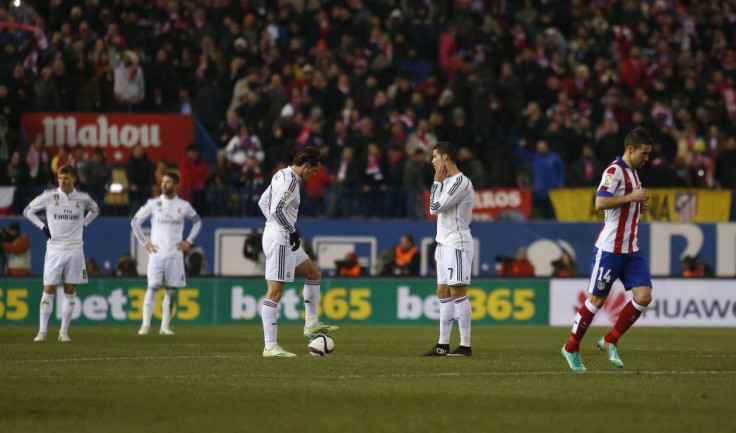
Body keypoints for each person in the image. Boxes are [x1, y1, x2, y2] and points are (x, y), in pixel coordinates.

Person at [561, 127, 654, 371]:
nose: (647, 158)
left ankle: (610, 339)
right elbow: (600, 201)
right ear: (630, 148)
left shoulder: (633, 173)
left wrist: (637, 206)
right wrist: (631, 198)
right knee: (596, 300)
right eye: (644, 153)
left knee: (644, 297)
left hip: (632, 248)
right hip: (610, 248)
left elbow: (624, 204)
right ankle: (571, 346)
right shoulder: (614, 171)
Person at [257, 147, 338, 357]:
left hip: (280, 235)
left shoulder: (281, 174)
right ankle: (270, 346)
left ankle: (311, 323)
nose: (314, 175)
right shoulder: (291, 181)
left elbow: (263, 202)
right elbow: (276, 210)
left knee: (314, 272)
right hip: (281, 239)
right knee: (274, 292)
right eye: (314, 171)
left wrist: (274, 225)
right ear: (307, 165)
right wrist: (287, 229)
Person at [23, 165, 100, 342]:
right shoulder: (49, 196)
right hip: (55, 249)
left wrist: (84, 224)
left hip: (75, 249)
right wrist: (43, 227)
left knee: (70, 289)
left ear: (74, 179)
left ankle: (63, 332)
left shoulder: (83, 198)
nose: (63, 181)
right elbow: (28, 211)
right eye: (60, 178)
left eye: (66, 178)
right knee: (49, 288)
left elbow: (96, 210)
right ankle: (42, 332)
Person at [131, 171, 202, 336]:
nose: (164, 185)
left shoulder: (183, 206)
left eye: (168, 182)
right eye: (163, 182)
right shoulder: (153, 203)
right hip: (156, 255)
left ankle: (165, 326)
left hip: (175, 255)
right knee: (152, 288)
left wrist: (189, 241)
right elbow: (135, 222)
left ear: (176, 185)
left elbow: (197, 223)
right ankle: (145, 325)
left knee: (171, 291)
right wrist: (144, 242)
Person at [422, 142, 475, 357]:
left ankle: (465, 345)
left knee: (458, 292)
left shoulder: (460, 182)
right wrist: (438, 184)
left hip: (457, 243)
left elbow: (434, 208)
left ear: (445, 157)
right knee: (443, 293)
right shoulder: (446, 182)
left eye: (434, 156)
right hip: (443, 243)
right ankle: (443, 345)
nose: (431, 160)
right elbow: (436, 207)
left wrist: (435, 183)